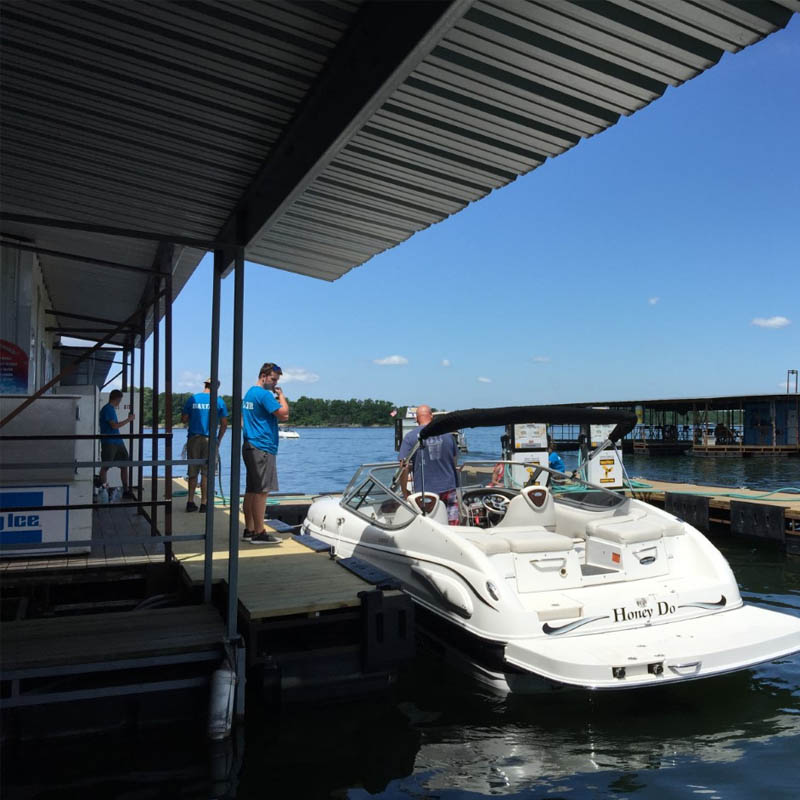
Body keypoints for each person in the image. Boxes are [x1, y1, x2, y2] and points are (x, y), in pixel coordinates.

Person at [241, 362, 290, 544]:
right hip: (262, 447)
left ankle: (249, 529)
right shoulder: (263, 394)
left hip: (249, 445)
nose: (274, 383)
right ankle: (260, 533)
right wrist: (282, 396)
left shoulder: (249, 393)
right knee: (262, 492)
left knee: (252, 490)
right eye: (273, 379)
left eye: (276, 380)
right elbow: (284, 414)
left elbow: (242, 420)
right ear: (264, 375)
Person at [398, 405, 459, 525]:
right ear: (431, 416)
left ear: (416, 419)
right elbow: (454, 460)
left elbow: (403, 466)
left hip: (425, 490)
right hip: (449, 487)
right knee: (452, 526)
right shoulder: (448, 435)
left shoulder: (410, 437)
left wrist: (405, 491)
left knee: (429, 525)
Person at [181, 378, 229, 513]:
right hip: (210, 440)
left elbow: (184, 419)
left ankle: (190, 502)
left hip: (194, 439)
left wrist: (194, 419)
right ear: (217, 387)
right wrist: (218, 440)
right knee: (207, 474)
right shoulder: (219, 401)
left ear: (205, 385)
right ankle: (204, 504)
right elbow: (224, 425)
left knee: (192, 472)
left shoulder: (193, 399)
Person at [98, 389, 135, 498]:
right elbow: (114, 426)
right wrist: (129, 419)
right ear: (117, 399)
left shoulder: (110, 409)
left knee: (124, 465)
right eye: (120, 399)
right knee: (105, 466)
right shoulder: (108, 409)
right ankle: (104, 490)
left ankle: (126, 490)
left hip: (117, 441)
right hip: (109, 442)